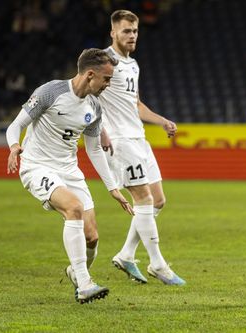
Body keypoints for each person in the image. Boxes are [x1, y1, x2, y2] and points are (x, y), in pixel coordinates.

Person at [6, 48, 134, 304]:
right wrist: (13, 147)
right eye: (107, 79)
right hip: (37, 165)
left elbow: (95, 149)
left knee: (92, 237)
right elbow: (16, 125)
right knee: (73, 208)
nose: (108, 85)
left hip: (70, 170)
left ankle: (75, 271)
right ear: (90, 75)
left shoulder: (95, 107)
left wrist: (112, 187)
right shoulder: (50, 92)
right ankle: (85, 284)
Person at [98, 9, 185, 285]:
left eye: (135, 31)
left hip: (139, 139)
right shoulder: (103, 62)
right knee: (144, 200)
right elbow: (88, 98)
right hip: (120, 142)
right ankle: (158, 264)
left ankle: (125, 255)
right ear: (113, 32)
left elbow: (134, 104)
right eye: (126, 31)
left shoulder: (133, 65)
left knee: (157, 201)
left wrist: (161, 121)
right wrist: (100, 131)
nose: (132, 35)